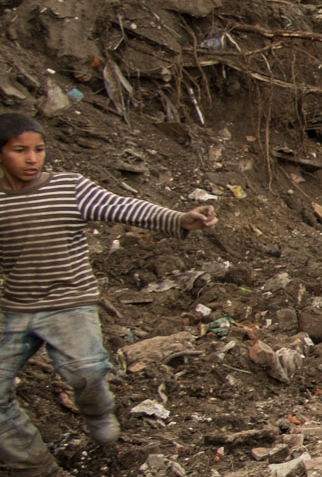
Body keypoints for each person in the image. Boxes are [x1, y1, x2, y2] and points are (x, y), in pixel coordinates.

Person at [0, 113, 218, 476]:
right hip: (18, 308)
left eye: (38, 149)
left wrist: (178, 218)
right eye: (20, 151)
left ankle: (98, 412)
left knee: (86, 372)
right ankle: (32, 465)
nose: (32, 159)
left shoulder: (68, 188)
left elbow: (124, 206)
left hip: (69, 304)